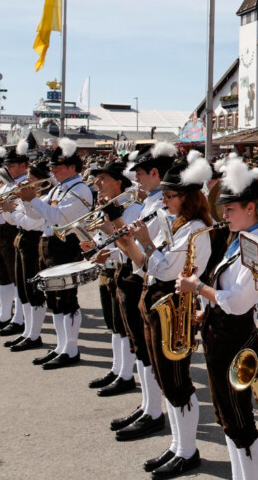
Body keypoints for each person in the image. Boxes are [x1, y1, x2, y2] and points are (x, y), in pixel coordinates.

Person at [176, 158, 258, 479]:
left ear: (250, 208)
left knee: (240, 421)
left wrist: (198, 287)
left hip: (235, 335)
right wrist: (208, 310)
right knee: (227, 420)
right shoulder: (241, 240)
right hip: (222, 332)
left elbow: (237, 302)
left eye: (230, 209)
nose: (223, 215)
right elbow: (229, 294)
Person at [115, 157, 214, 478]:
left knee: (177, 382)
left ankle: (188, 451)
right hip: (159, 302)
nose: (165, 201)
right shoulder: (177, 224)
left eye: (170, 196)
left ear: (187, 197)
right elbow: (149, 265)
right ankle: (177, 445)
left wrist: (143, 241)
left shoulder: (196, 230)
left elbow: (166, 269)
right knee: (165, 379)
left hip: (176, 308)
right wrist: (129, 245)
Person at [110, 144, 177, 439]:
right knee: (141, 347)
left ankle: (153, 413)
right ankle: (149, 405)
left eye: (139, 172)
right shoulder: (152, 201)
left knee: (150, 351)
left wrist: (130, 241)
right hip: (143, 273)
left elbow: (157, 252)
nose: (135, 177)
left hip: (149, 277)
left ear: (154, 173)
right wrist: (120, 238)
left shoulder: (162, 205)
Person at [14, 137, 93, 370]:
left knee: (66, 299)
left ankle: (71, 349)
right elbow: (37, 216)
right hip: (49, 244)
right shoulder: (60, 187)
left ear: (71, 167)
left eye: (58, 167)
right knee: (54, 300)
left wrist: (33, 199)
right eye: (53, 167)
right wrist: (27, 200)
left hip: (66, 246)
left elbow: (59, 217)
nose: (54, 171)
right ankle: (61, 347)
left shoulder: (80, 189)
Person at [82, 160, 142, 395]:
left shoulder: (133, 208)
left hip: (127, 269)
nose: (97, 183)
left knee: (125, 326)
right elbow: (107, 236)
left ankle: (126, 375)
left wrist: (109, 241)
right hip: (111, 268)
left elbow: (132, 246)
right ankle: (118, 369)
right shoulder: (110, 205)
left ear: (119, 182)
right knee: (114, 324)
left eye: (103, 179)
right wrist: (95, 246)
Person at [3, 160, 51, 352]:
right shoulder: (32, 199)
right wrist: (9, 210)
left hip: (33, 241)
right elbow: (15, 222)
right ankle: (28, 332)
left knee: (34, 291)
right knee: (23, 290)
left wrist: (15, 209)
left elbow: (30, 223)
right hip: (22, 239)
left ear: (40, 180)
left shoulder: (43, 198)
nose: (27, 181)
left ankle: (34, 335)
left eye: (32, 178)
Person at [0, 141, 31, 337]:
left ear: (24, 165)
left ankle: (19, 319)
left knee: (16, 279)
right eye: (8, 166)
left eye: (13, 165)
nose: (9, 169)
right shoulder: (7, 184)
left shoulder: (26, 183)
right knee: (3, 277)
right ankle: (5, 314)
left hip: (11, 230)